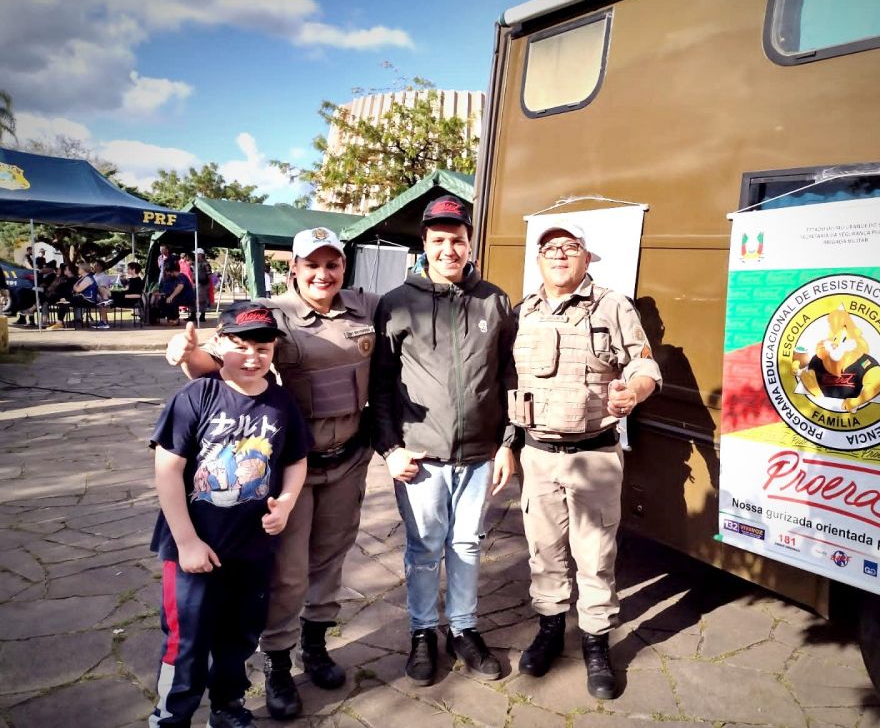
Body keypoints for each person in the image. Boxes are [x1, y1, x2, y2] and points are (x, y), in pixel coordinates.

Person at [164, 226, 378, 720]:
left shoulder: (366, 308)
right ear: (294, 270)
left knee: (331, 557)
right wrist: (187, 353)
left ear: (344, 268)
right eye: (312, 265)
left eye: (333, 264)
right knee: (287, 570)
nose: (323, 274)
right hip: (290, 469)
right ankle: (278, 660)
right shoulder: (273, 314)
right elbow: (222, 360)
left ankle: (316, 644)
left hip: (348, 459)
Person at [509, 222, 661, 699]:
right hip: (537, 455)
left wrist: (630, 394)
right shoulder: (523, 311)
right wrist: (506, 443)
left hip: (593, 454)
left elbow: (644, 364)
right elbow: (506, 381)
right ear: (539, 259)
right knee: (545, 552)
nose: (559, 255)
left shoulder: (613, 305)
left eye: (569, 247)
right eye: (550, 248)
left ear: (586, 256)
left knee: (595, 558)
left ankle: (596, 643)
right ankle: (551, 630)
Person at [371, 195, 516, 687]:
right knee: (424, 549)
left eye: (457, 240)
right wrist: (389, 449)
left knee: (468, 545)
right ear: (425, 245)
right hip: (420, 458)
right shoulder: (396, 303)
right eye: (438, 241)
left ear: (469, 242)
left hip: (479, 456)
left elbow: (508, 377)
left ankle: (464, 629)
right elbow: (380, 387)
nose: (448, 249)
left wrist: (508, 443)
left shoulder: (494, 301)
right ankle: (421, 633)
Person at [148, 303, 310, 728]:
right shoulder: (195, 396)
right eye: (240, 346)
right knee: (187, 642)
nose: (252, 357)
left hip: (251, 549)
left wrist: (288, 502)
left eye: (263, 347)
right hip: (193, 551)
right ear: (218, 344)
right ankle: (171, 716)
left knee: (238, 637)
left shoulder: (281, 403)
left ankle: (228, 707)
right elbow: (168, 469)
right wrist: (186, 541)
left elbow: (295, 459)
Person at [72, 261, 111, 329]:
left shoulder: (104, 276)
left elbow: (102, 287)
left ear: (101, 267)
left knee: (102, 303)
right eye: (94, 265)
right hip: (93, 294)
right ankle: (79, 318)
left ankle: (104, 322)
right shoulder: (94, 275)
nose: (95, 267)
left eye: (97, 265)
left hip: (98, 295)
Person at [157, 260, 196, 326]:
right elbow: (167, 291)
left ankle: (176, 318)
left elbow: (180, 286)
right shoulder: (171, 278)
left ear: (172, 271)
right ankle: (170, 318)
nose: (167, 274)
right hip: (178, 297)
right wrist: (160, 294)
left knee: (172, 300)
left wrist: (171, 296)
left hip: (186, 298)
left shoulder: (181, 276)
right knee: (161, 301)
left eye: (168, 272)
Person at [195, 248, 212, 322]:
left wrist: (208, 284)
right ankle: (194, 315)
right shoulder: (196, 263)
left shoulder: (205, 263)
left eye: (197, 254)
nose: (195, 256)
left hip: (204, 284)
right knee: (197, 299)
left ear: (200, 255)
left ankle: (202, 315)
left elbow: (209, 274)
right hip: (198, 283)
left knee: (202, 300)